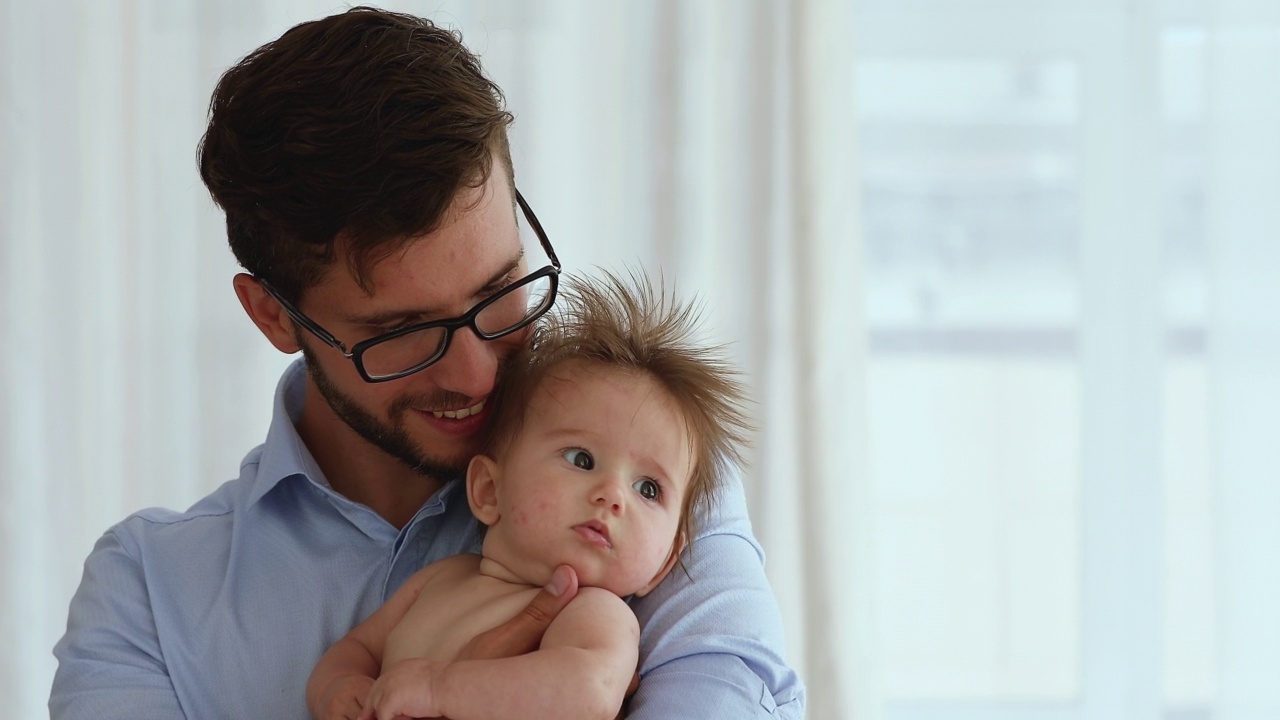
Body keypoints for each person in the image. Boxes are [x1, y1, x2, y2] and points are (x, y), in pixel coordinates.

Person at [50, 7, 804, 719]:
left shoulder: (643, 482)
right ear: (274, 315)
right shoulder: (146, 595)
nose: (478, 376)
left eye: (500, 290)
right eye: (403, 331)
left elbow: (726, 684)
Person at [308, 271, 750, 720]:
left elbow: (589, 689)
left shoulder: (592, 611)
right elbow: (357, 648)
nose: (613, 496)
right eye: (581, 459)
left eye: (648, 489)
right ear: (488, 491)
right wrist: (339, 687)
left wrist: (440, 689)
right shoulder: (439, 581)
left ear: (665, 563)